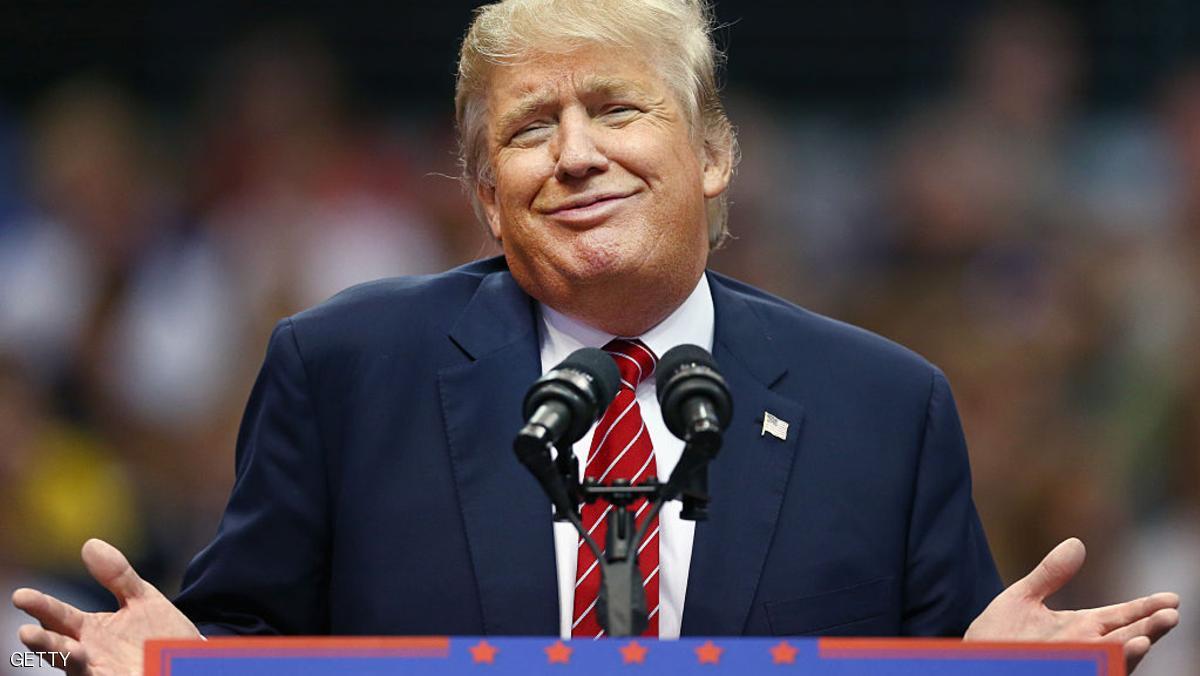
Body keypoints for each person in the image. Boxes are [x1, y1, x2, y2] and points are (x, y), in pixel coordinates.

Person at [11, 0, 1179, 673]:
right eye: (531, 127)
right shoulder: (346, 371)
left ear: (713, 153)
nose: (576, 154)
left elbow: (948, 661)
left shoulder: (883, 403)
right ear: (483, 187)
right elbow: (245, 641)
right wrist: (177, 663)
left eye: (618, 109)